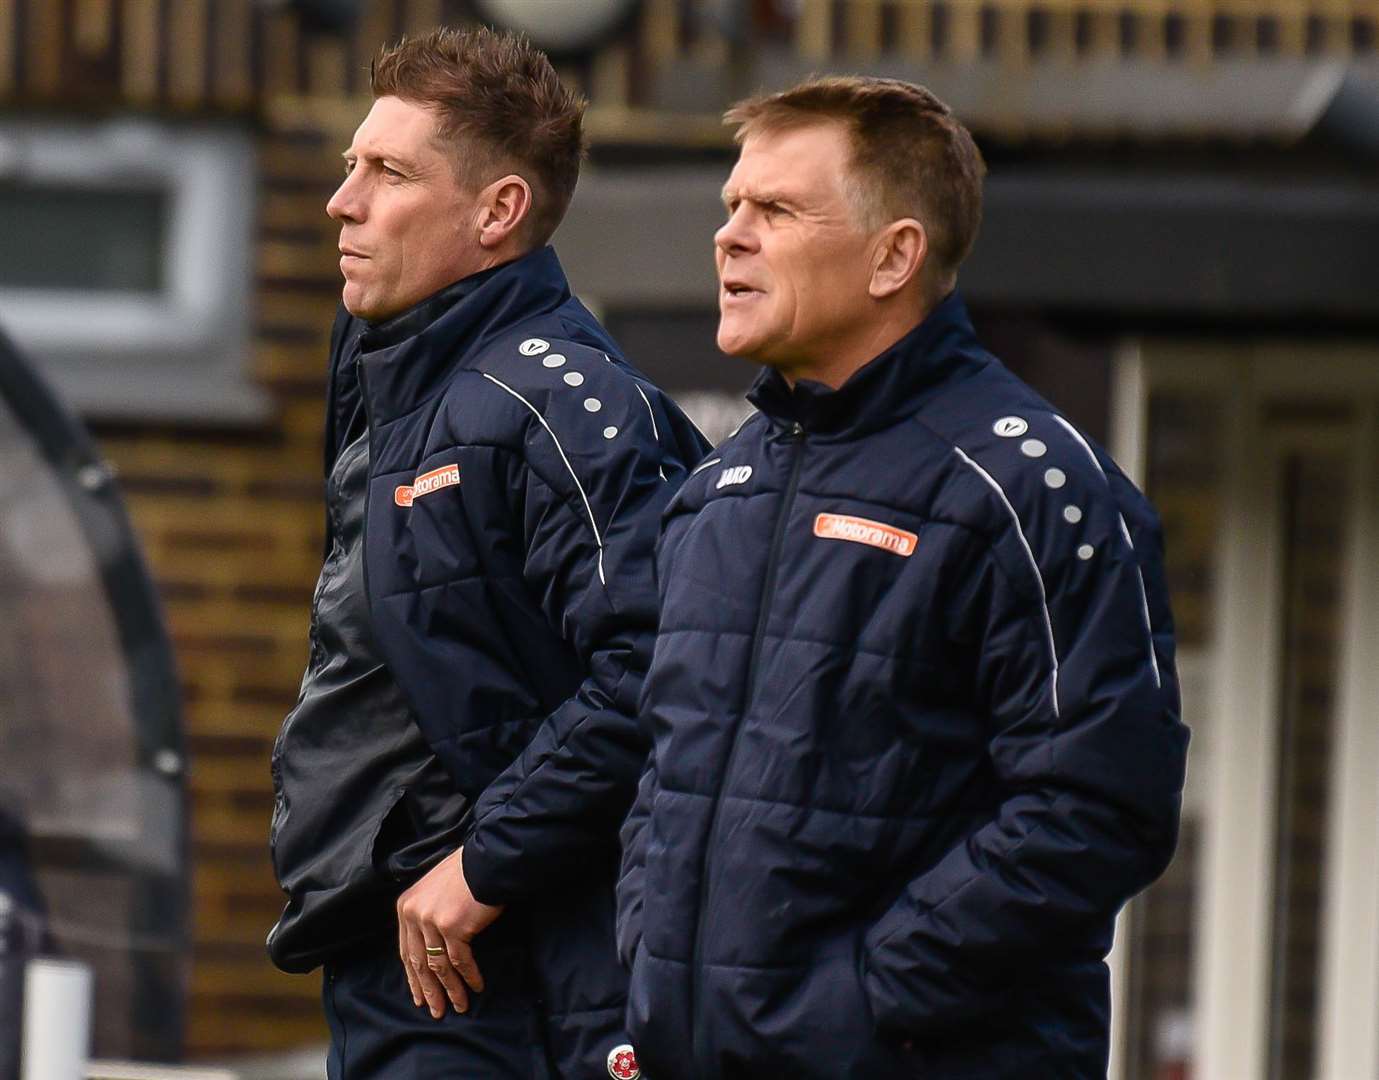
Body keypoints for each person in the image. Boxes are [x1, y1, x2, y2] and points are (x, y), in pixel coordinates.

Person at [616, 76, 1190, 1078]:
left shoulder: (1031, 486)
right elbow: (658, 774)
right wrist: (651, 982)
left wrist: (857, 1007)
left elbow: (1093, 811)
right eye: (729, 207)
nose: (728, 238)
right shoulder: (715, 491)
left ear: (894, 257)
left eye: (775, 210)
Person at [266, 26, 707, 1079]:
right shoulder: (391, 366)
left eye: (388, 173)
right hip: (391, 951)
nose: (344, 201)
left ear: (497, 211)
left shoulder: (556, 400)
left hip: (492, 978)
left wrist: (485, 863)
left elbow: (662, 664)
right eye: (350, 167)